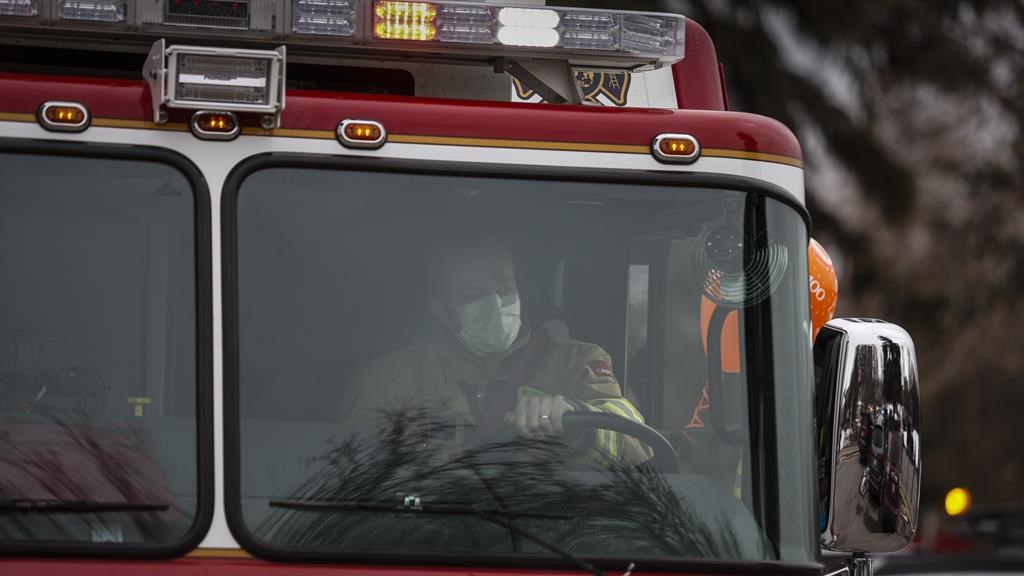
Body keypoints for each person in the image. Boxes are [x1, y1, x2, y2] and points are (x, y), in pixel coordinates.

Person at [337, 236, 650, 468]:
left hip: (552, 540)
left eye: (504, 290)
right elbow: (352, 478)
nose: (496, 306)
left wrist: (577, 419)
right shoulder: (385, 382)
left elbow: (637, 451)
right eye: (474, 295)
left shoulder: (578, 362)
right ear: (441, 311)